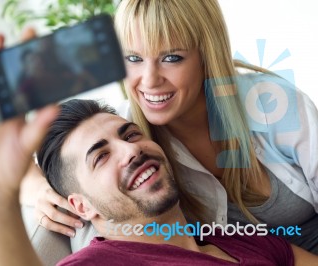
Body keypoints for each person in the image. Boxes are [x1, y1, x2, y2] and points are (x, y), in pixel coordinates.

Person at [0, 56, 318, 265]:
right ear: (81, 206)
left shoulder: (240, 240)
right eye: (101, 157)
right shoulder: (100, 265)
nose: (131, 150)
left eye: (130, 135)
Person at [21, 0, 318, 254]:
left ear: (207, 56)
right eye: (133, 58)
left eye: (171, 58)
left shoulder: (272, 105)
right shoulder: (125, 135)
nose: (149, 80)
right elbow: (27, 161)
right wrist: (39, 189)